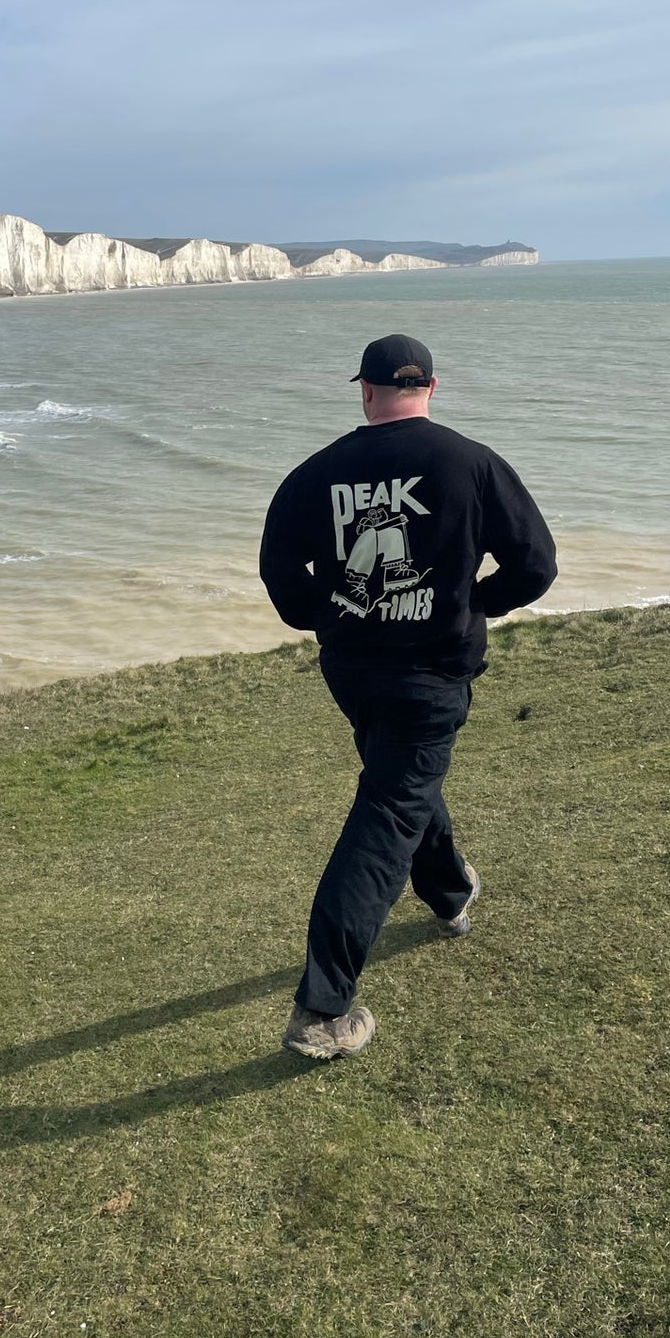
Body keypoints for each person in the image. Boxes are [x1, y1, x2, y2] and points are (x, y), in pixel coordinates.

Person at [259, 334, 557, 1061]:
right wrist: (469, 604)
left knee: (399, 783)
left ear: (363, 391)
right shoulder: (471, 462)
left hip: (354, 671)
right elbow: (536, 565)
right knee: (387, 811)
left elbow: (277, 568)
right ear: (432, 385)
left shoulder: (318, 471)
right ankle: (321, 1009)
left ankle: (450, 892)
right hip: (428, 675)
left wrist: (327, 612)